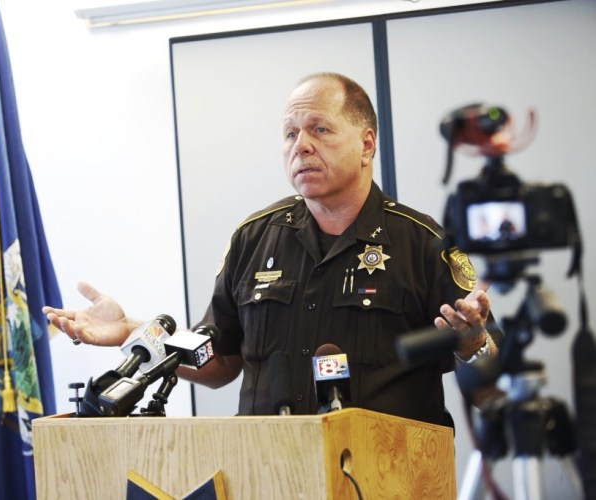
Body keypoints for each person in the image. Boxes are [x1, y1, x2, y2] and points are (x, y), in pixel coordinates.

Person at [43, 72, 498, 425]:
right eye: (290, 134)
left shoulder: (423, 243)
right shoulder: (254, 238)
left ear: (366, 144)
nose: (301, 146)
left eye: (319, 129)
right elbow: (216, 359)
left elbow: (493, 389)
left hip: (385, 476)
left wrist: (473, 343)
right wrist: (132, 332)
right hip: (267, 473)